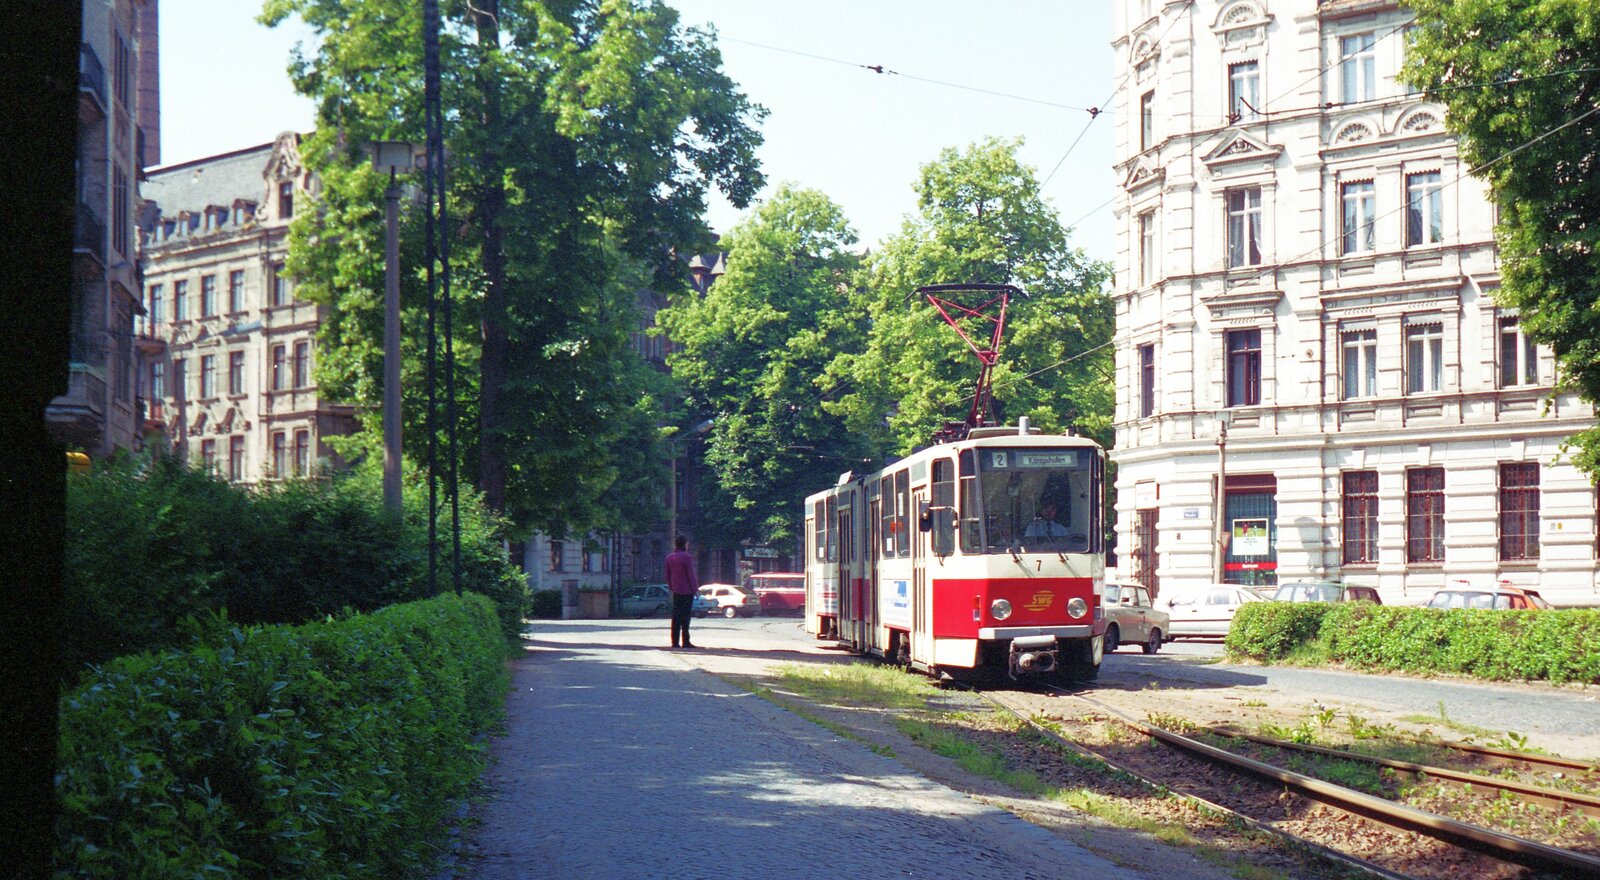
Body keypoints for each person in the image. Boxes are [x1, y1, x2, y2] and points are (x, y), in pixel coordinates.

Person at [665, 535, 699, 649]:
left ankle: (675, 641)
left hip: (676, 590)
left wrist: (672, 587)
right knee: (686, 617)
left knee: (676, 616)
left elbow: (667, 575)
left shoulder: (670, 557)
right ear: (685, 544)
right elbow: (691, 574)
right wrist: (695, 589)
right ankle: (686, 641)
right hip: (687, 591)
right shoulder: (687, 557)